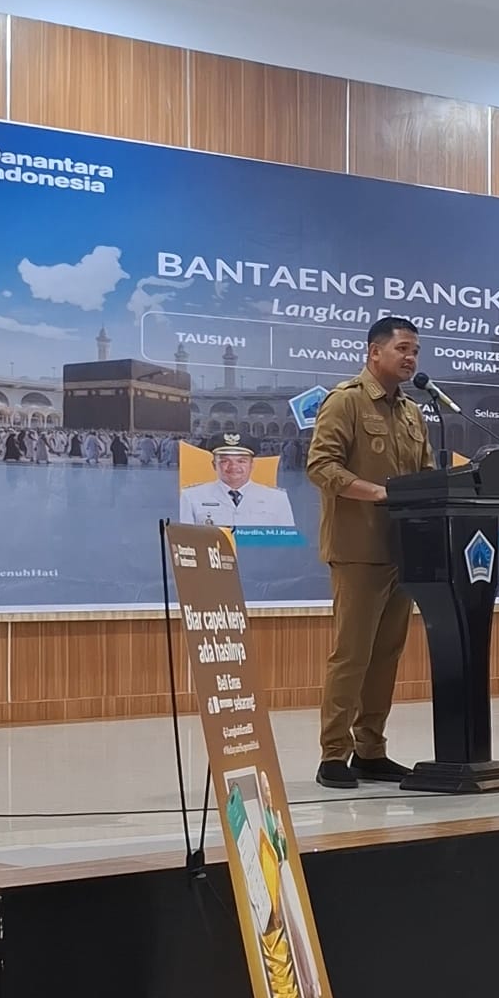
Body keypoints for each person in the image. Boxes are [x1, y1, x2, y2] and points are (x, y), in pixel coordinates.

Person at [306, 316, 432, 789]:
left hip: (403, 551)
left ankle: (371, 751)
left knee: (385, 657)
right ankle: (333, 755)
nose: (410, 358)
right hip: (358, 549)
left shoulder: (413, 412)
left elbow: (425, 475)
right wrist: (377, 493)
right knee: (352, 655)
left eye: (415, 351)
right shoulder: (346, 401)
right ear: (374, 352)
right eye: (402, 349)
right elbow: (321, 466)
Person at [180, 435, 296, 526]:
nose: (233, 467)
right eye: (225, 461)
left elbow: (288, 542)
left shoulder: (277, 498)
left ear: (252, 465)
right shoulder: (191, 497)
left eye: (241, 461)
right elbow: (185, 540)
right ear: (214, 465)